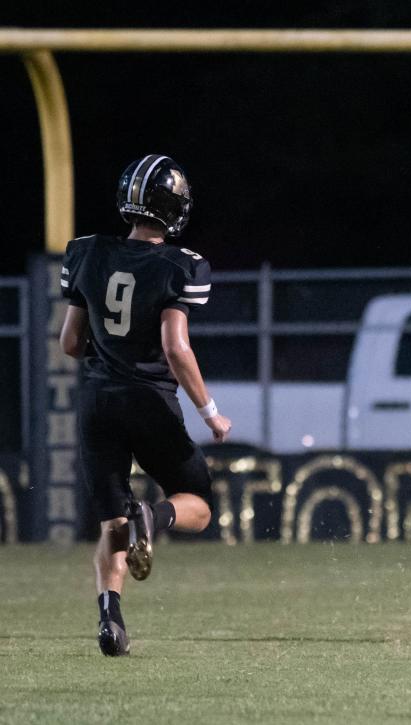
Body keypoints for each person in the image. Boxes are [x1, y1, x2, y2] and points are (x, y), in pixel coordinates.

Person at [59, 154, 231, 656]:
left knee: (113, 524)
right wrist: (210, 412)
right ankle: (153, 519)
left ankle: (110, 619)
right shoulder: (182, 265)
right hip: (149, 401)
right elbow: (176, 348)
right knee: (197, 505)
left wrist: (108, 358)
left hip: (96, 401)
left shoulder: (86, 253)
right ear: (174, 209)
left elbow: (70, 342)